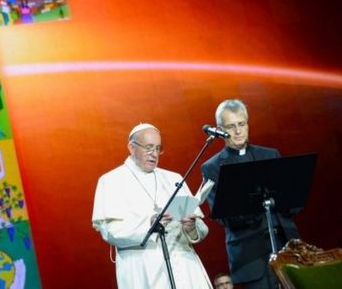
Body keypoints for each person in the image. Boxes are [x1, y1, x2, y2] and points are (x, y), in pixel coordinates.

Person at [92, 123, 212, 289]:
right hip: (144, 269)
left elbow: (202, 228)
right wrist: (149, 224)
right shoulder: (111, 181)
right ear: (132, 148)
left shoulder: (173, 178)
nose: (154, 154)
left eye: (158, 148)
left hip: (185, 267)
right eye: (148, 148)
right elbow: (111, 232)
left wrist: (191, 227)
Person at [201, 99, 300, 289]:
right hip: (250, 257)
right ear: (220, 129)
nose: (238, 131)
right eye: (231, 126)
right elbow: (222, 216)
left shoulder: (270, 155)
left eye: (241, 124)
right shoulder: (212, 168)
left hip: (287, 248)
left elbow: (292, 201)